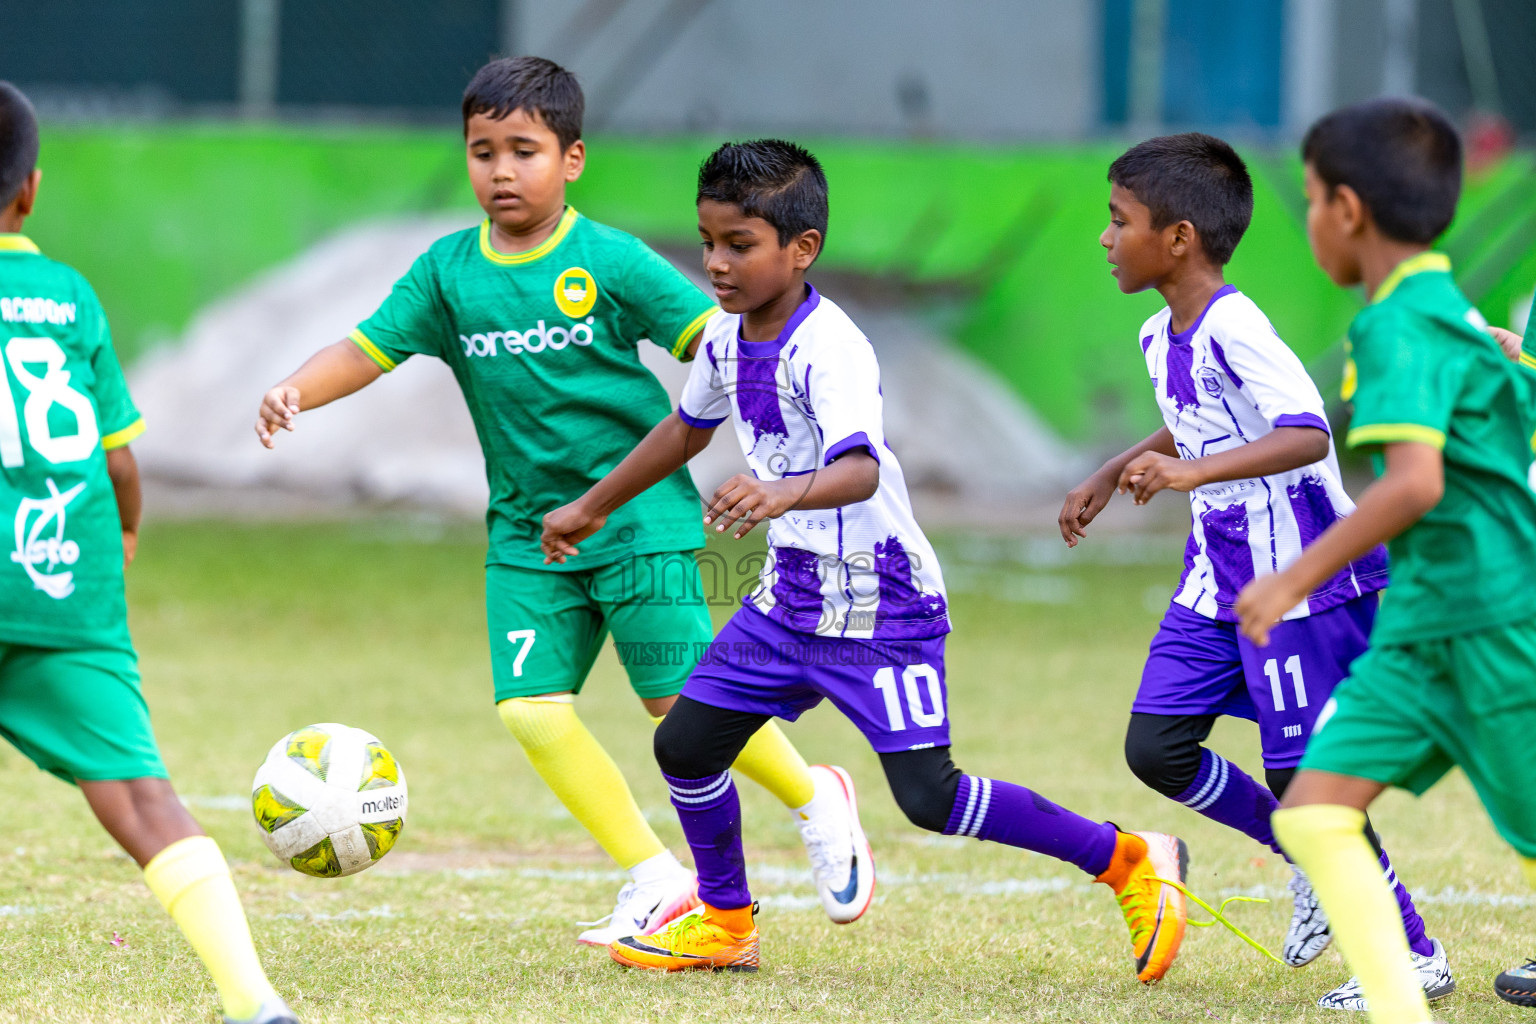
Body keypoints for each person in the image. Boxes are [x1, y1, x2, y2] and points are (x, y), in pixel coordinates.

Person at [254, 57, 869, 945]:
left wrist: (794, 439)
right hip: (525, 533)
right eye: (482, 151)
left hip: (643, 518)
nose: (501, 171)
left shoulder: (609, 259)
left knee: (681, 703)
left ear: (572, 159)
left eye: (525, 150)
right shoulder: (446, 273)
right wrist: (296, 390)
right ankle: (657, 881)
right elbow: (367, 346)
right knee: (531, 711)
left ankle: (818, 800)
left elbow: (723, 341)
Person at [542, 138, 1190, 981]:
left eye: (739, 245)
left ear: (801, 248)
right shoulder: (728, 339)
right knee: (689, 746)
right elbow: (685, 427)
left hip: (882, 603)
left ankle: (1129, 860)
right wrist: (592, 505)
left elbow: (861, 469)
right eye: (709, 243)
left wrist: (780, 492)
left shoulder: (831, 347)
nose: (716, 264)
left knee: (931, 798)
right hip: (791, 601)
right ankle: (727, 920)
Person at [1059, 132, 1449, 1009]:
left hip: (1298, 584)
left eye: (1117, 221)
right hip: (1218, 578)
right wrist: (1107, 471)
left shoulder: (1237, 322)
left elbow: (1305, 429)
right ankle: (1299, 859)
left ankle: (1409, 952)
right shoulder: (1162, 330)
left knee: (1307, 779)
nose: (1104, 237)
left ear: (1180, 238)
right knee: (1156, 746)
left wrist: (1188, 474)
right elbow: (1192, 416)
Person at [0, 82, 296, 1024]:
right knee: (141, 799)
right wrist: (124, 530)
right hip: (64, 582)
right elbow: (119, 458)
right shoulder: (69, 296)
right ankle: (256, 1005)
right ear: (31, 191)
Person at [1238, 97, 1536, 1020]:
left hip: (1488, 617)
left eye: (1313, 198)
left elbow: (1414, 484)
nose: (1312, 216)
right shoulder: (1446, 309)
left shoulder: (1398, 327)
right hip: (1419, 629)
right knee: (1314, 812)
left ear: (1350, 211)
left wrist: (1291, 578)